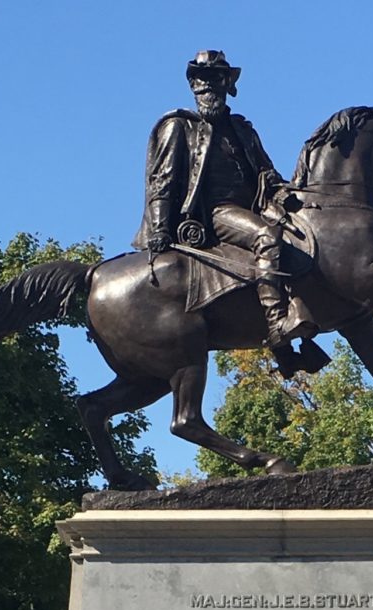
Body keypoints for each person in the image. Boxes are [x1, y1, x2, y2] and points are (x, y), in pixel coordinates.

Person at [132, 50, 314, 377]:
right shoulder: (179, 126)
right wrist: (159, 225)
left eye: (215, 80)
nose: (207, 88)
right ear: (192, 86)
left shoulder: (243, 128)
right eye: (201, 81)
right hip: (212, 212)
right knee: (265, 236)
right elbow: (164, 178)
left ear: (227, 85)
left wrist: (287, 193)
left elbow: (265, 171)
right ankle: (277, 327)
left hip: (256, 206)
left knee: (303, 242)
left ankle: (295, 343)